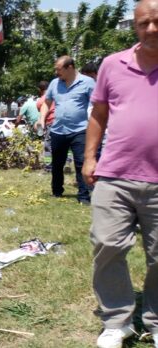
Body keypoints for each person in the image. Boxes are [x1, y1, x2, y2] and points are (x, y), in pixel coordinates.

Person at [83, 0, 158, 347]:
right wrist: (88, 157)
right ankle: (117, 321)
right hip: (114, 174)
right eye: (144, 23)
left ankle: (155, 321)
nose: (151, 29)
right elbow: (98, 115)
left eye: (157, 22)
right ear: (135, 26)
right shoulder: (113, 65)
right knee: (108, 244)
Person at [35, 56, 95, 205]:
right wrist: (41, 119)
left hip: (80, 130)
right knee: (57, 163)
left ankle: (83, 196)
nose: (56, 72)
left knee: (81, 163)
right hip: (58, 130)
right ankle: (57, 191)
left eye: (58, 69)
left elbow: (96, 106)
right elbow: (46, 103)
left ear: (70, 68)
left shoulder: (88, 83)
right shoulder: (55, 84)